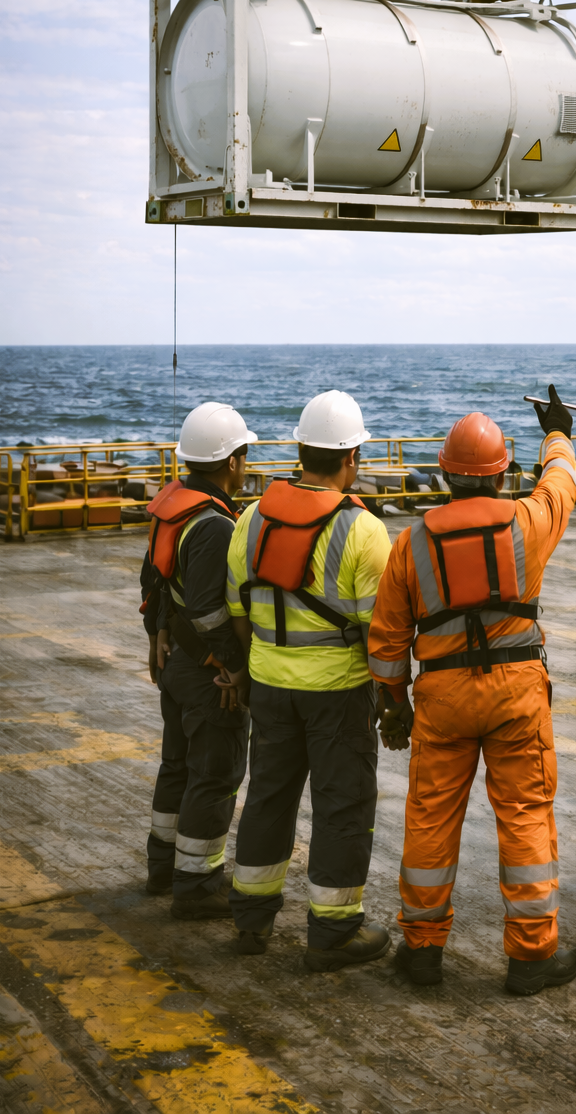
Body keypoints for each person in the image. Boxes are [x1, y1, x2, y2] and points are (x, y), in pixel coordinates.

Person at [368, 386, 576, 996]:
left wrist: (394, 706)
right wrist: (557, 433)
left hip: (442, 697)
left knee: (431, 819)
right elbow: (561, 484)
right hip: (517, 693)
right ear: (502, 473)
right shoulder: (528, 522)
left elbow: (387, 643)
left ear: (444, 476)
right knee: (526, 815)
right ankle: (532, 957)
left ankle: (422, 951)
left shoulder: (412, 544)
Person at [221, 391, 392, 971]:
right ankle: (334, 932)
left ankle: (251, 919)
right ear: (352, 458)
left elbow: (238, 610)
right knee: (343, 806)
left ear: (299, 451)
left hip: (269, 686)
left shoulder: (251, 519)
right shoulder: (364, 530)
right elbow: (380, 634)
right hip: (338, 694)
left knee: (267, 798)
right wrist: (391, 699)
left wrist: (258, 669)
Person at [142, 402, 256, 919]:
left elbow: (154, 580)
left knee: (177, 765)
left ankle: (163, 867)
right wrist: (232, 666)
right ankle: (196, 885)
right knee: (214, 773)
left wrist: (157, 633)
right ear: (231, 461)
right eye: (244, 454)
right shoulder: (214, 525)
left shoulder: (174, 507)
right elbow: (211, 611)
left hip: (176, 665)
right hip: (207, 672)